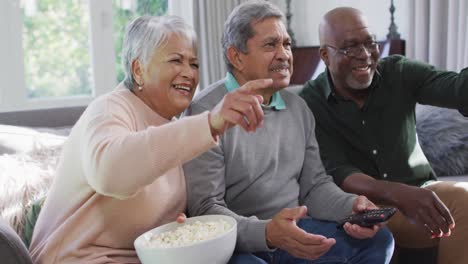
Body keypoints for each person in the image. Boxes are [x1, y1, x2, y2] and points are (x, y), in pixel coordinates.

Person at [29, 15, 270, 263]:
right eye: (177, 60)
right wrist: (210, 122)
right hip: (79, 257)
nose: (189, 73)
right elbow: (111, 173)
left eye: (194, 64)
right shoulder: (108, 110)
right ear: (138, 70)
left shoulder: (174, 126)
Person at [183, 1, 394, 263]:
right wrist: (268, 233)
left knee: (379, 240)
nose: (284, 54)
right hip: (238, 244)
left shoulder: (299, 108)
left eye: (287, 44)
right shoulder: (205, 113)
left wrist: (352, 206)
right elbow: (206, 210)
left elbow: (314, 187)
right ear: (236, 56)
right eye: (271, 45)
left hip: (294, 232)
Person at [300, 7, 468, 264]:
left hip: (421, 191)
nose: (365, 55)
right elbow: (338, 171)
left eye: (370, 43)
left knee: (462, 200)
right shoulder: (310, 103)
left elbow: (458, 90)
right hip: (365, 209)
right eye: (350, 48)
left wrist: (410, 193)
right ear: (325, 54)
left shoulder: (399, 72)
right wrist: (398, 193)